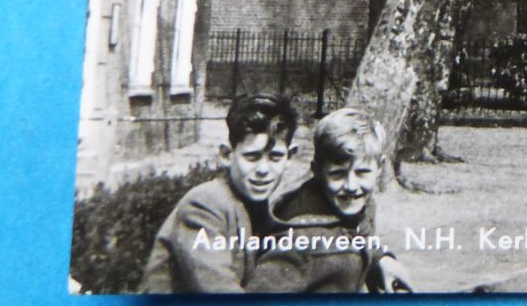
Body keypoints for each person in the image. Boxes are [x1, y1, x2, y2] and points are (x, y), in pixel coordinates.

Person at [141, 94, 299, 293]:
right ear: (226, 154)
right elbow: (221, 295)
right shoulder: (204, 205)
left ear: (290, 157)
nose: (263, 170)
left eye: (275, 157)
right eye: (252, 157)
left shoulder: (267, 205)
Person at [247, 107, 412, 294]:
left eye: (362, 172)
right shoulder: (301, 241)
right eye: (337, 174)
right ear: (316, 170)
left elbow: (357, 236)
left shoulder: (359, 205)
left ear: (380, 168)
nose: (351, 185)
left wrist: (381, 260)